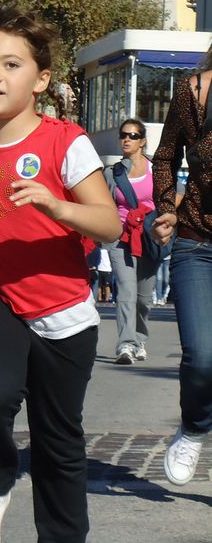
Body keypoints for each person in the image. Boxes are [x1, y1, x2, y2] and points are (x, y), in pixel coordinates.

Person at [0, 3, 120, 543]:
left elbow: (109, 226)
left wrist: (58, 207)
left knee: (58, 440)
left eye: (11, 65)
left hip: (62, 308)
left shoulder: (66, 142)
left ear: (41, 80)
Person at [151, 45, 212, 486]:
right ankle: (194, 427)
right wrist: (164, 207)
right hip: (197, 240)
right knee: (203, 357)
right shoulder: (191, 92)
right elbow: (166, 155)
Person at [103, 118, 158, 364]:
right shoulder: (113, 172)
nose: (127, 139)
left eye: (133, 136)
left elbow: (173, 198)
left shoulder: (157, 170)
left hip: (149, 237)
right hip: (121, 238)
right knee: (126, 290)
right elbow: (103, 204)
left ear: (143, 141)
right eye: (124, 135)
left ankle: (140, 339)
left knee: (144, 298)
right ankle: (126, 345)